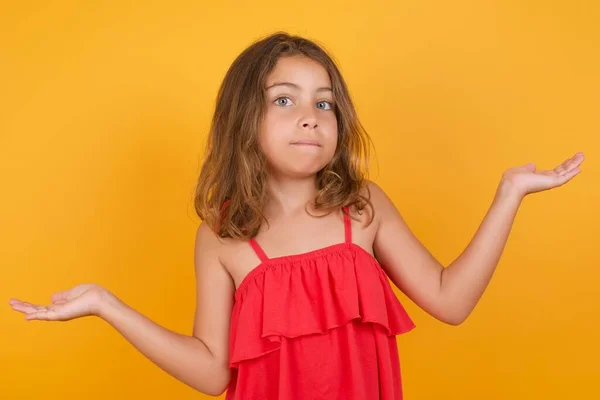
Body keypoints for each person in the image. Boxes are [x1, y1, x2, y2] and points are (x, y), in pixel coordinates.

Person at [9, 32, 585, 399]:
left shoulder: (362, 208)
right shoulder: (222, 238)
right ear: (244, 120)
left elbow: (450, 301)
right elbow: (213, 375)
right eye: (284, 99)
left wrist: (509, 193)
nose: (309, 116)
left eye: (324, 102)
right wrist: (107, 306)